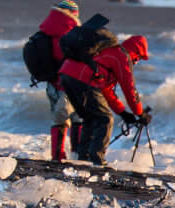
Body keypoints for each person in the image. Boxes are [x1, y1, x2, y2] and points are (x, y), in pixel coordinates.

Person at [58, 34, 151, 166]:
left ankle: (83, 160)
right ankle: (97, 161)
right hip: (82, 78)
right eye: (139, 58)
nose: (137, 62)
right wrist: (140, 113)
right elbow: (129, 87)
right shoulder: (121, 56)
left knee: (90, 118)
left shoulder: (109, 52)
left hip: (67, 75)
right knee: (105, 119)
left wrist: (123, 113)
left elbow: (105, 90)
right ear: (135, 52)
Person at [36, 0, 83, 162]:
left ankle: (58, 156)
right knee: (76, 117)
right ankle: (72, 156)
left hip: (51, 83)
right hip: (68, 83)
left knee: (58, 118)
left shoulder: (47, 29)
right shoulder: (70, 32)